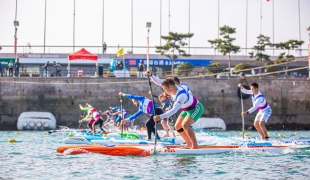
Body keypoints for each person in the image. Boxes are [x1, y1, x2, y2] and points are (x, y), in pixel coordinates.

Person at [146, 71, 204, 149]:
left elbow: (173, 110)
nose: (164, 92)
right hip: (186, 109)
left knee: (185, 125)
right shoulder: (172, 87)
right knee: (177, 126)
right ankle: (189, 144)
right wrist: (151, 75)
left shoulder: (181, 95)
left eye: (165, 90)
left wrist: (160, 116)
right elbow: (160, 82)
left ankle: (195, 146)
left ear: (170, 87)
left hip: (196, 108)